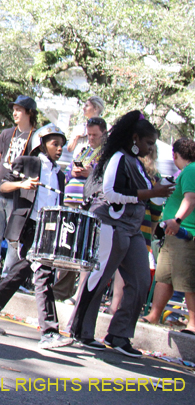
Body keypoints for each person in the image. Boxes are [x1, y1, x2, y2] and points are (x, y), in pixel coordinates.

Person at [67, 110, 174, 356]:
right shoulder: (117, 157)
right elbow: (111, 193)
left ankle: (119, 335)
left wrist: (161, 192)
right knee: (99, 277)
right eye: (148, 143)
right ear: (134, 137)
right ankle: (81, 331)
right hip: (111, 225)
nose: (150, 148)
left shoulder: (137, 163)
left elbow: (149, 201)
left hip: (132, 229)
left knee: (141, 281)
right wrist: (150, 193)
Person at [0, 124, 74, 349]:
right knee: (43, 275)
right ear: (41, 143)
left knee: (20, 273)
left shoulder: (58, 173)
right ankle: (49, 332)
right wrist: (22, 184)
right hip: (29, 227)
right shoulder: (28, 163)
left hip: (47, 229)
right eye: (54, 144)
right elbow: (4, 184)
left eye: (61, 145)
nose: (59, 149)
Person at [0, 95, 38, 284]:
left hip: (20, 195)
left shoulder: (36, 137)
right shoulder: (6, 134)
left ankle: (7, 275)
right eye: (14, 109)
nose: (14, 113)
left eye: (19, 109)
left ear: (29, 112)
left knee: (14, 238)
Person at [140, 138, 195, 333]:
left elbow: (191, 198)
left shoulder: (191, 170)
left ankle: (193, 323)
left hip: (185, 232)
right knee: (164, 276)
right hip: (172, 234)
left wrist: (177, 220)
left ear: (175, 155)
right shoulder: (184, 173)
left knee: (186, 279)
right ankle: (154, 314)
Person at [53, 116, 107, 301]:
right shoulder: (84, 151)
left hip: (87, 204)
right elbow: (68, 172)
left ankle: (72, 291)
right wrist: (73, 172)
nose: (91, 138)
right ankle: (61, 290)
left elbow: (106, 179)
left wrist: (91, 173)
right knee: (65, 245)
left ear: (104, 134)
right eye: (89, 134)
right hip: (70, 200)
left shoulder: (106, 154)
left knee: (79, 247)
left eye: (95, 135)